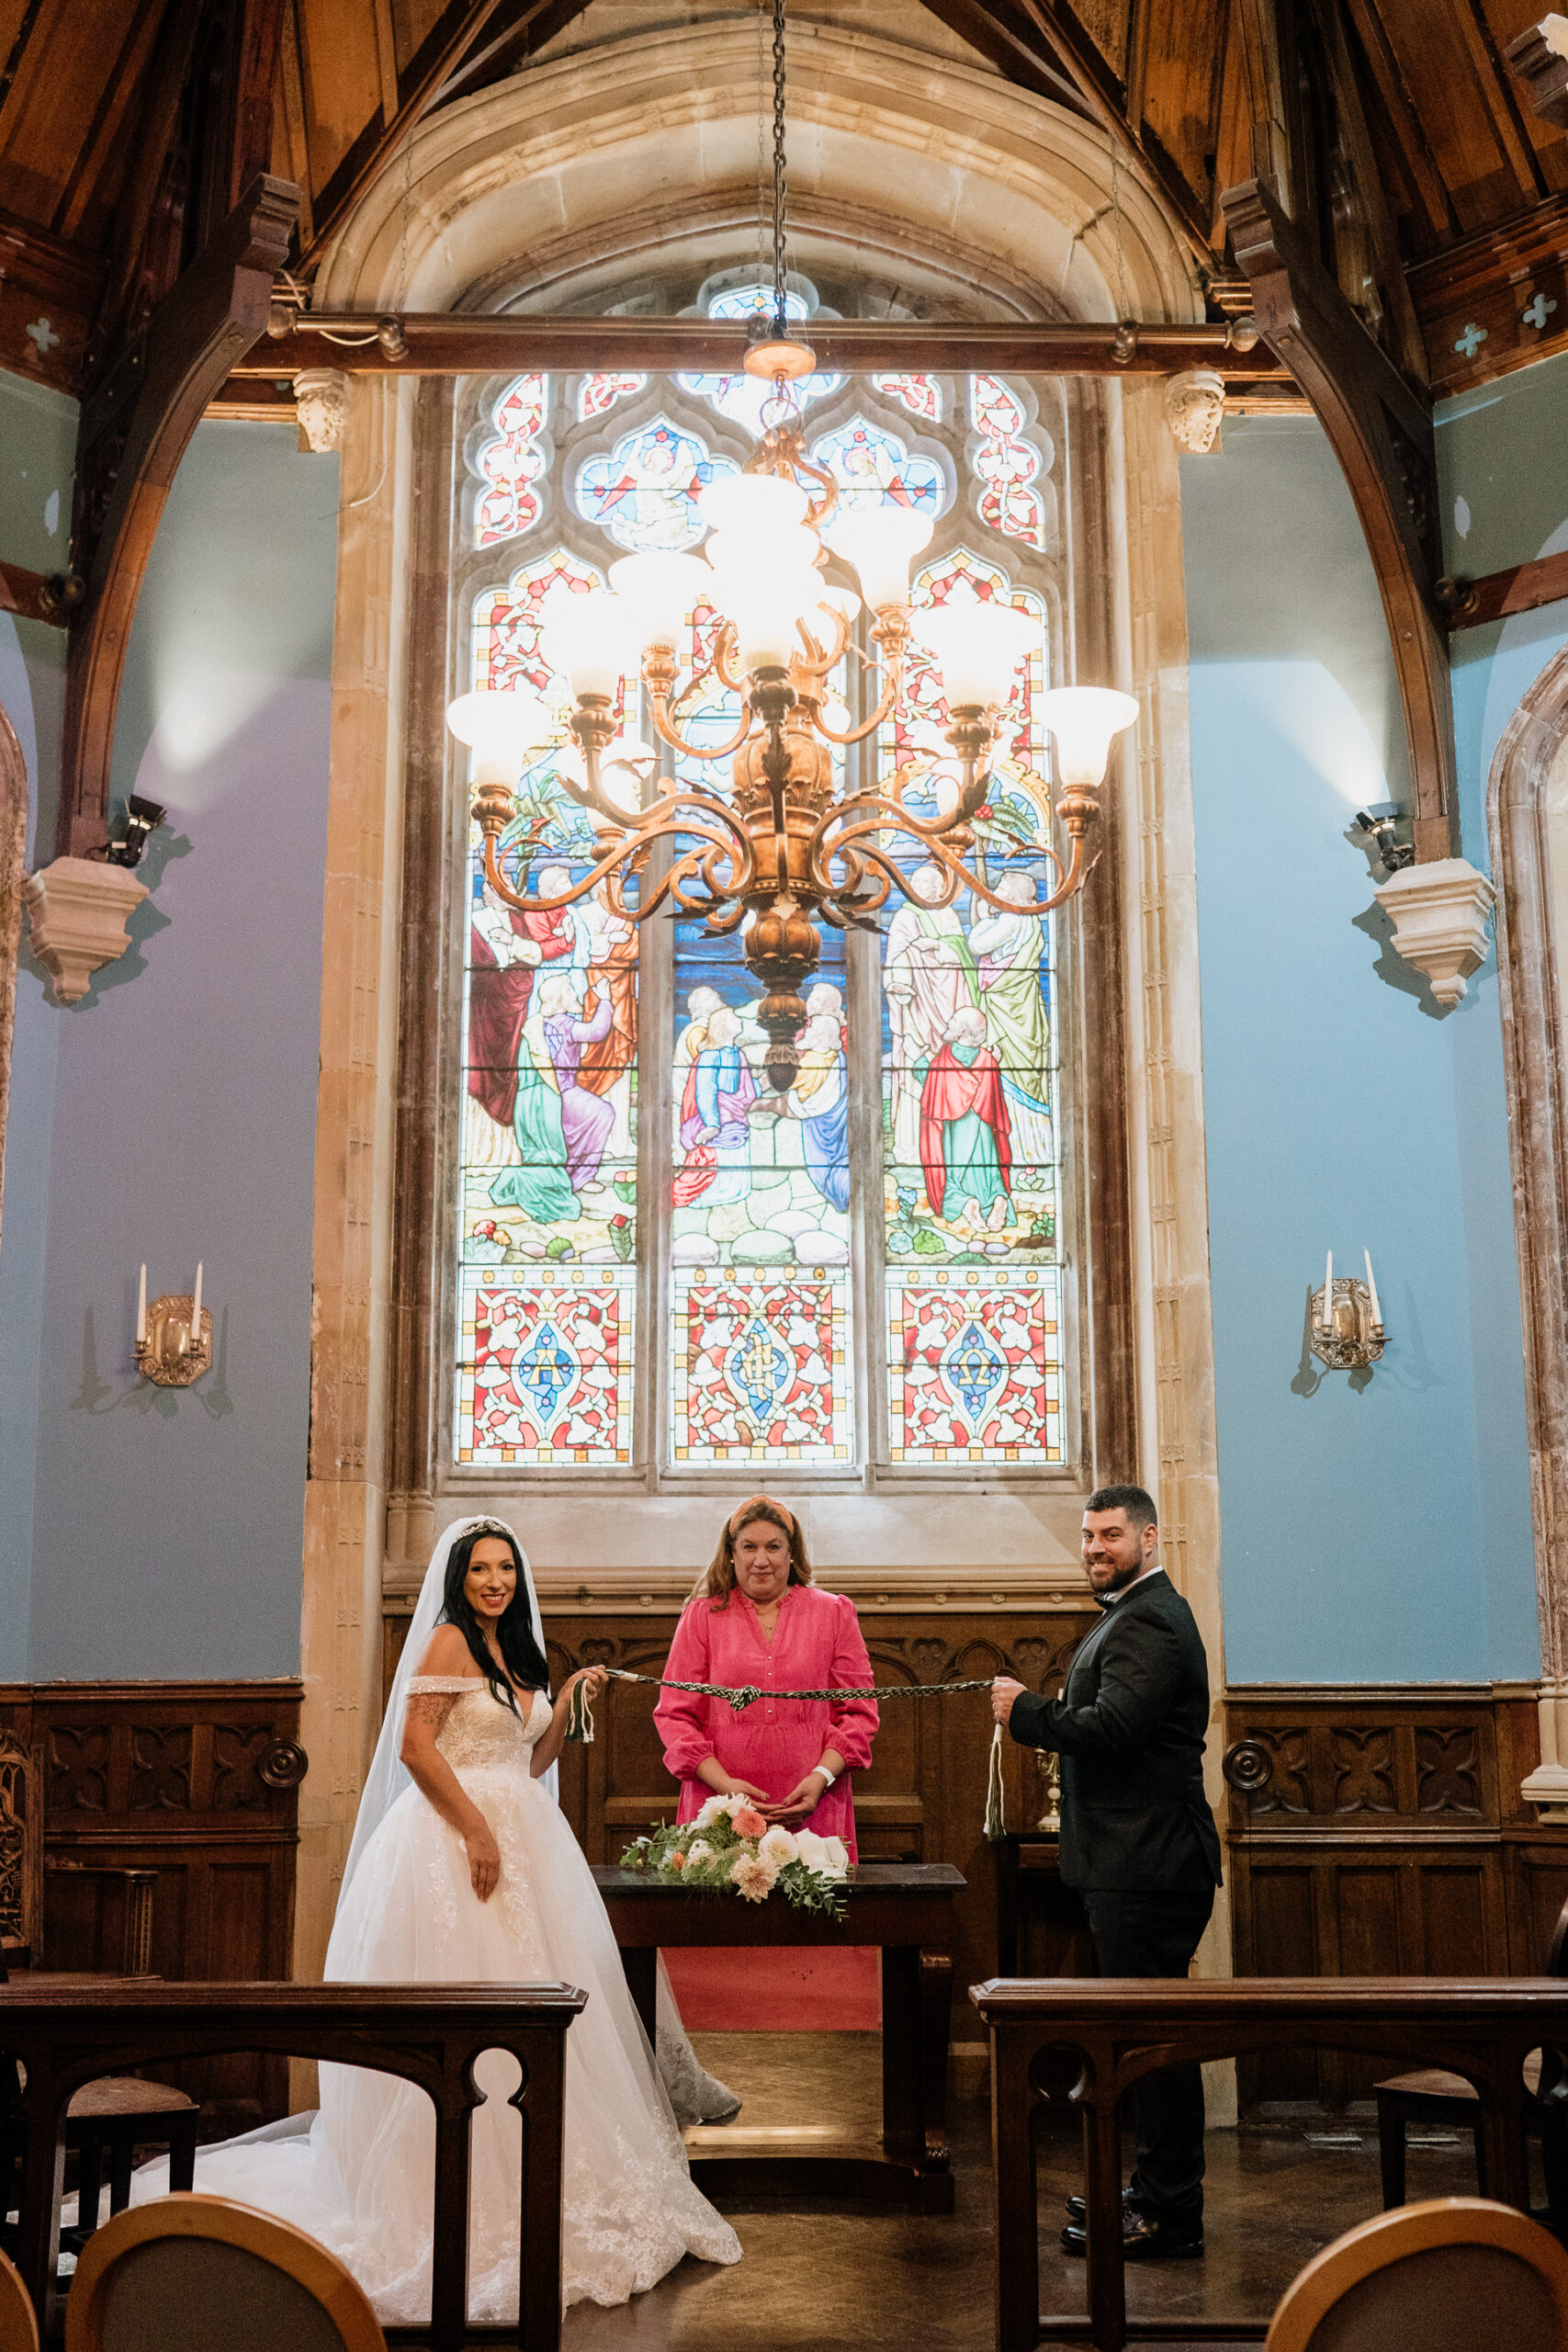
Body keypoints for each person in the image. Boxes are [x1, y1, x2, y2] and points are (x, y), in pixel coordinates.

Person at [132, 1516, 740, 2320]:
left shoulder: (513, 1650)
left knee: (543, 1996)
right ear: (458, 1579)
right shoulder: (450, 1641)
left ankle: (538, 2172)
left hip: (525, 1834)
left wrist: (561, 1703)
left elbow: (530, 1761)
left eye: (504, 1570)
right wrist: (475, 1830)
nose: (494, 1581)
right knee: (469, 1990)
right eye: (480, 1570)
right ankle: (443, 2186)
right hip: (452, 1842)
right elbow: (418, 1748)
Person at [991, 1485, 1223, 2262]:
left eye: (1111, 1535)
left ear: (1149, 1538)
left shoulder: (1150, 1618)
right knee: (1143, 2038)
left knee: (1153, 2044)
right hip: (1134, 1861)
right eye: (1088, 1536)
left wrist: (1025, 1712)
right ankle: (1153, 2192)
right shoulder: (1130, 1614)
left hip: (1149, 1865)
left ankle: (1169, 2212)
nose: (1095, 1547)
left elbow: (1115, 1730)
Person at [655, 1497, 877, 1857]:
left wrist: (821, 1778)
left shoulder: (833, 1613)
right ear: (731, 1554)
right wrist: (724, 1786)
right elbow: (674, 1715)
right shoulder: (702, 1617)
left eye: (773, 1547)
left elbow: (860, 1713)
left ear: (791, 1553)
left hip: (813, 1805)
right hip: (720, 1807)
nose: (761, 1560)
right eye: (749, 1547)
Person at [490, 975, 615, 1223]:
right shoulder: (564, 1025)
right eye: (570, 991)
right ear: (559, 1000)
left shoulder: (535, 1026)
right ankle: (580, 1177)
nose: (575, 994)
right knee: (603, 1113)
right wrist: (606, 1002)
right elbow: (596, 1031)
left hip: (539, 1099)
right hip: (560, 1093)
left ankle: (574, 1172)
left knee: (590, 1118)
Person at [883, 862, 976, 1164]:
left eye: (928, 884)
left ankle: (958, 1148)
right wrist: (899, 982)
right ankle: (911, 1148)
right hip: (916, 1007)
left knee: (953, 1069)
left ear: (939, 889)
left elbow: (961, 953)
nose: (922, 889)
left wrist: (935, 945)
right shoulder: (905, 916)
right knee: (915, 1067)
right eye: (916, 883)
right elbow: (894, 957)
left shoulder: (948, 915)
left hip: (950, 1001)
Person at [968, 870, 1055, 1166]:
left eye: (1001, 888)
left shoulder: (1011, 920)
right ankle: (1033, 1153)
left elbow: (977, 946)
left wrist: (982, 918)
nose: (994, 891)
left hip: (1008, 1008)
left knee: (1008, 1073)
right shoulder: (1030, 922)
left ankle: (1020, 1153)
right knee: (1026, 1074)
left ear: (1014, 898)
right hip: (1025, 1007)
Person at [919, 1003, 1014, 1234]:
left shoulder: (944, 1060)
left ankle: (965, 1203)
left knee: (953, 1174)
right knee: (990, 1170)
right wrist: (996, 1062)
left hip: (954, 1134)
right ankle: (998, 1198)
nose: (948, 1023)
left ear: (962, 1032)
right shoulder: (987, 1060)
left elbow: (931, 1084)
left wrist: (918, 1061)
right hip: (984, 1134)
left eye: (953, 1021)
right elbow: (992, 1099)